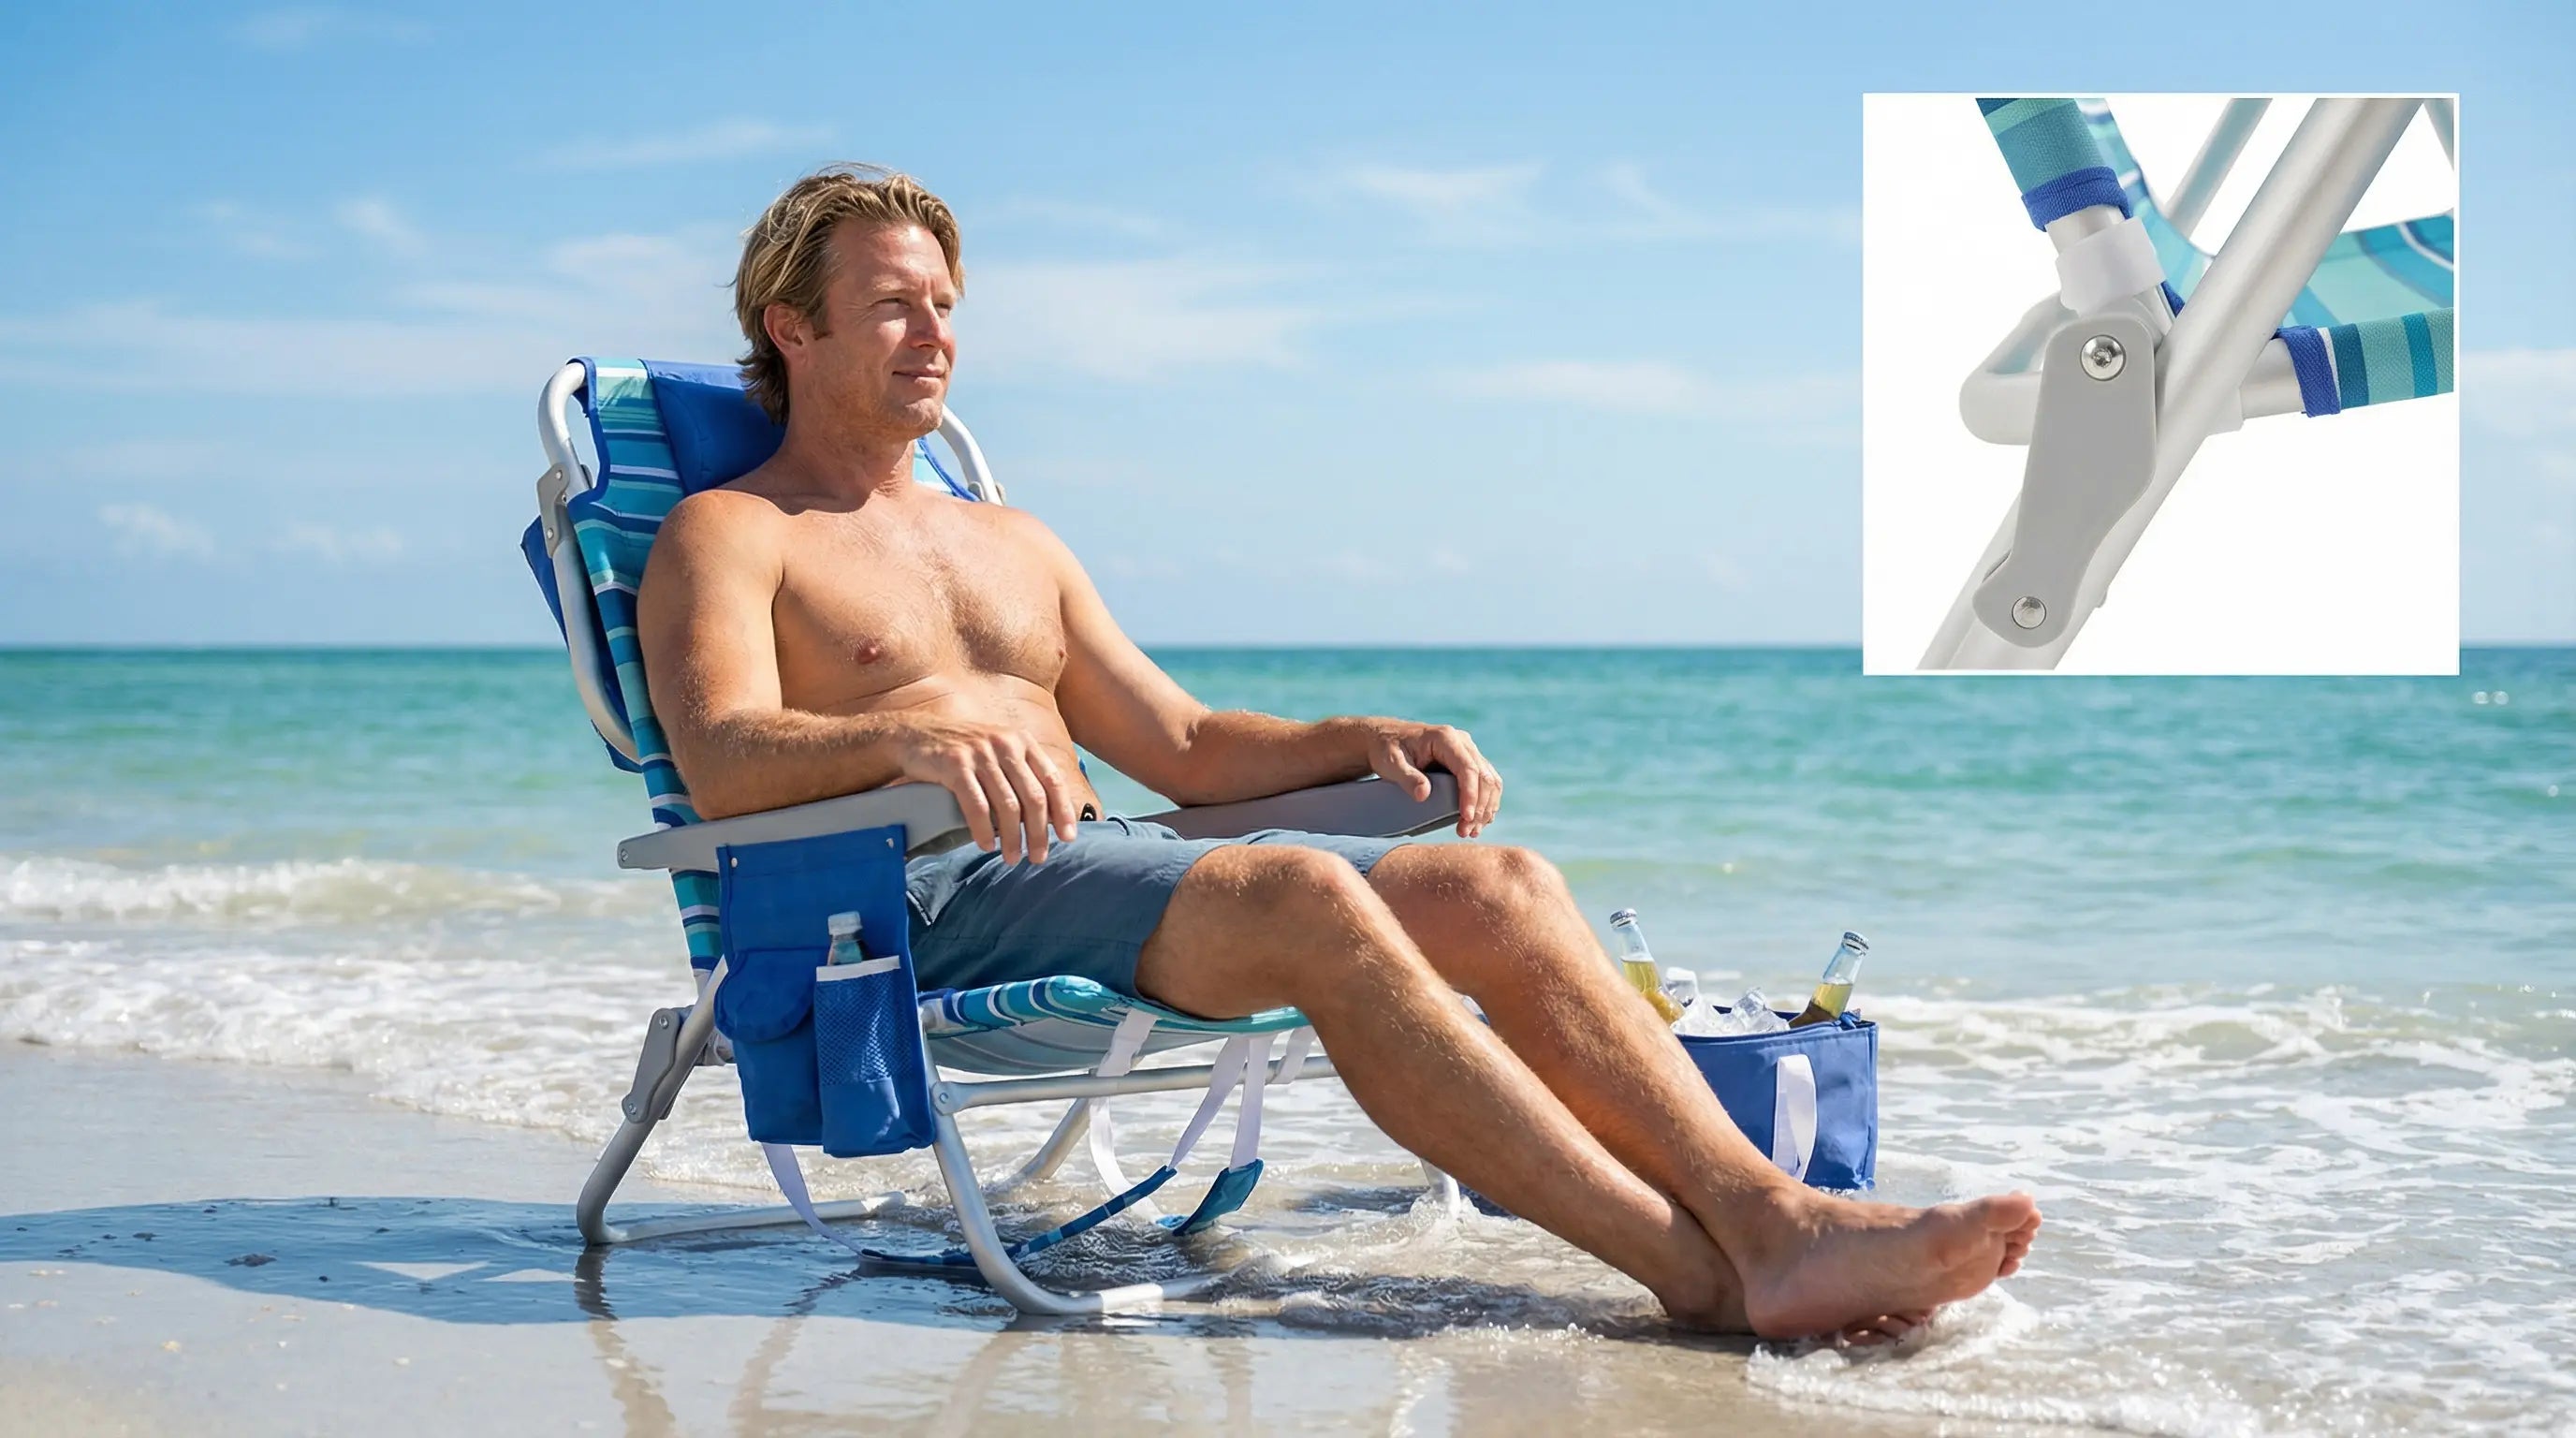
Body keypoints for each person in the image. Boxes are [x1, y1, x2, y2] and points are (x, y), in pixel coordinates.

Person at [637, 164, 2039, 1341]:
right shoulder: (734, 532)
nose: (932, 333)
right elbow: (723, 764)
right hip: (904, 911)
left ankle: (1773, 1223)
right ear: (794, 328)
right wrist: (919, 731)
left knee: (1503, 886)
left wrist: (1354, 739)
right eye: (891, 305)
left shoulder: (1010, 543)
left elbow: (1181, 744)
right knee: (1307, 899)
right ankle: (1695, 1279)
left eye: (945, 305)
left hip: (1086, 864)